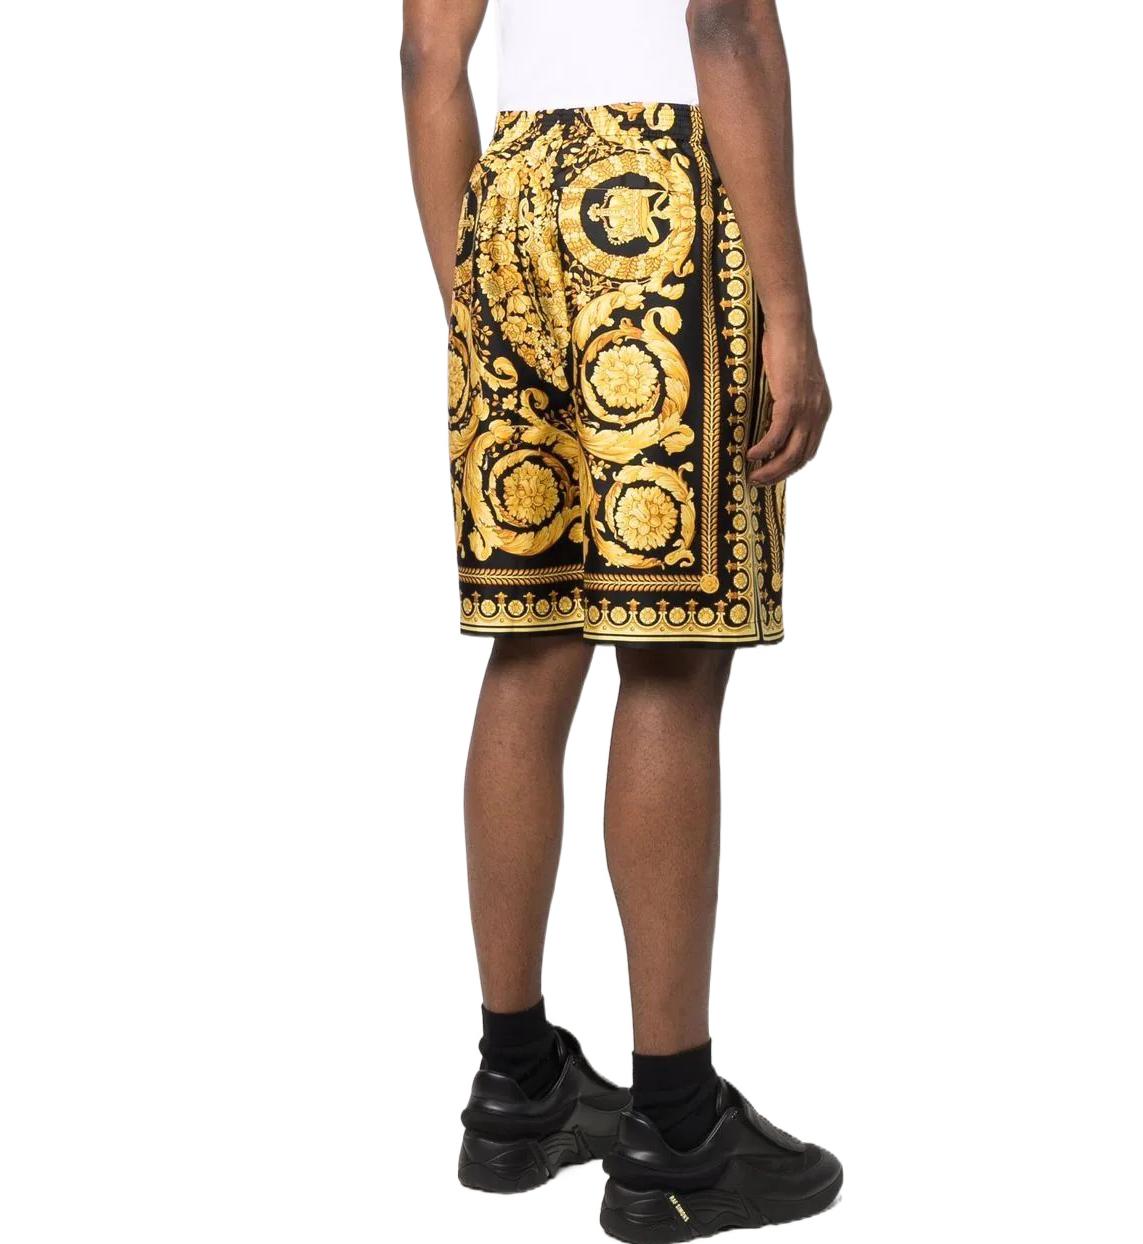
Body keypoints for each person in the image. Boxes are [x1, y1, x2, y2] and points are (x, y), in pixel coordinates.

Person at [401, 1, 839, 1236]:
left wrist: (474, 292)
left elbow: (428, 55)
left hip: (509, 195)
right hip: (656, 198)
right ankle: (677, 1124)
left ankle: (515, 1082)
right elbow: (726, 23)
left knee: (531, 635)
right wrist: (790, 313)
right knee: (668, 654)